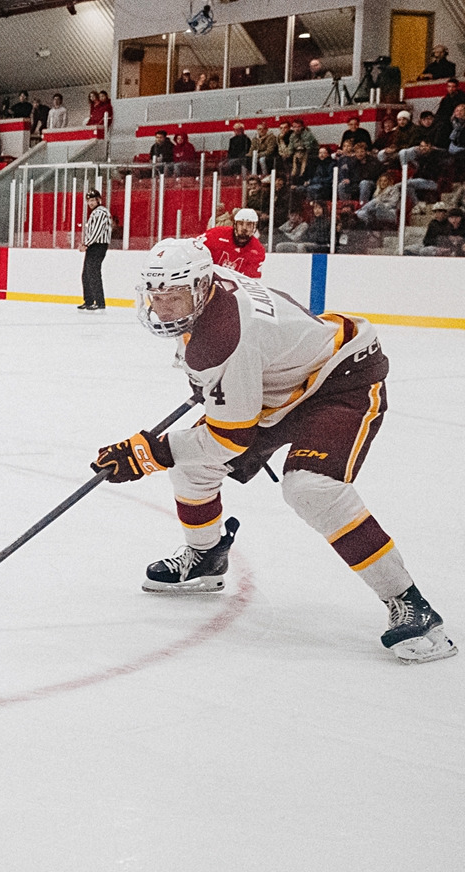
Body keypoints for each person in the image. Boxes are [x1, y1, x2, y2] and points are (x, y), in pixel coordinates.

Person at [94, 238, 453, 663]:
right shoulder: (210, 287)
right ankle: (207, 557)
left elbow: (229, 439)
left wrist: (147, 453)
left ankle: (411, 605)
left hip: (341, 378)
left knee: (310, 488)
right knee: (193, 468)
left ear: (200, 287)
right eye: (156, 296)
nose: (162, 307)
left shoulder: (223, 335)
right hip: (282, 385)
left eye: (173, 297)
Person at [203, 208, 267, 277]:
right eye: (241, 224)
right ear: (235, 224)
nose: (244, 228)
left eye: (249, 225)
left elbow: (251, 278)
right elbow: (196, 249)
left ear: (254, 227)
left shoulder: (257, 250)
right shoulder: (216, 234)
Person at [78, 191, 112, 310]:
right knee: (86, 274)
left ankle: (99, 302)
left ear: (98, 200)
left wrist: (86, 244)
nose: (90, 203)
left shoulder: (100, 212)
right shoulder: (95, 212)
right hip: (93, 246)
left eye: (93, 200)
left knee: (93, 274)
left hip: (98, 246)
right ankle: (88, 301)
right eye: (89, 201)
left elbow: (97, 232)